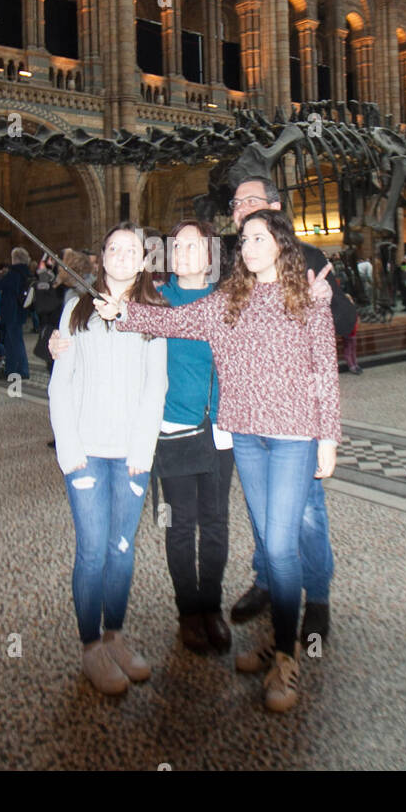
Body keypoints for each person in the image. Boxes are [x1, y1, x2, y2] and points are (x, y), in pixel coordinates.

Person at [103, 210, 339, 712]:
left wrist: (328, 438)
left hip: (294, 436)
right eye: (244, 240)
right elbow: (170, 320)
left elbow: (324, 369)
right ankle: (278, 641)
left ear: (280, 244)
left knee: (278, 547)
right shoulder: (228, 301)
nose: (249, 247)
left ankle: (286, 655)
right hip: (246, 437)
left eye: (259, 238)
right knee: (263, 538)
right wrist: (120, 314)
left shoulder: (307, 300)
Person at [48, 224, 169, 697]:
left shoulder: (153, 313)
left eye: (131, 250)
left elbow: (154, 385)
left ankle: (115, 636)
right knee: (93, 549)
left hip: (131, 454)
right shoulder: (75, 309)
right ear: (101, 258)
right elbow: (61, 382)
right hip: (87, 453)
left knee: (122, 550)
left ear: (143, 261)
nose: (121, 255)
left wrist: (143, 448)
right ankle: (91, 646)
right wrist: (69, 449)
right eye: (113, 248)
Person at [221, 177, 342, 644]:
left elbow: (340, 325)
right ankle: (268, 581)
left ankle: (318, 596)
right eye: (236, 205)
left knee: (305, 514)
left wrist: (325, 300)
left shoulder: (306, 259)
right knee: (262, 512)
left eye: (252, 203)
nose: (241, 210)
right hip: (248, 415)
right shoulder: (238, 260)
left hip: (295, 423)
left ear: (275, 208)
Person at [148, 219, 234, 652]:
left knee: (215, 522)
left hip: (220, 428)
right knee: (181, 522)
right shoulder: (159, 302)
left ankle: (211, 605)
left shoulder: (229, 302)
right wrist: (65, 338)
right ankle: (188, 611)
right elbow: (114, 326)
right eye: (176, 246)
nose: (183, 253)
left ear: (209, 254)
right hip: (175, 427)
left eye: (192, 245)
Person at [0, 247, 33, 380]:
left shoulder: (14, 274)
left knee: (16, 341)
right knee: (10, 341)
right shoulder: (26, 273)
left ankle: (23, 370)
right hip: (20, 311)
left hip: (12, 312)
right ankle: (11, 369)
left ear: (15, 259)